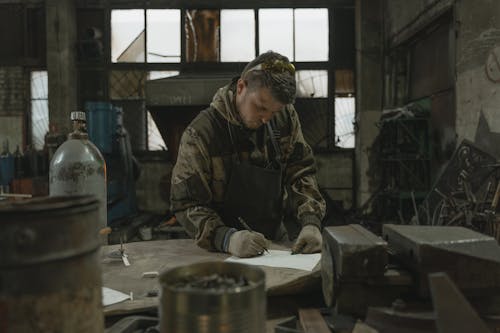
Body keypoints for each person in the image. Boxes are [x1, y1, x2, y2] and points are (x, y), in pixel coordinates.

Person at [170, 51, 326, 258]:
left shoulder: (284, 117)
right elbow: (186, 204)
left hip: (275, 245)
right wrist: (227, 238)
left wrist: (311, 222)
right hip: (221, 250)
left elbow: (300, 171)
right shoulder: (201, 134)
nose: (266, 119)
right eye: (260, 107)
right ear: (241, 88)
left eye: (274, 112)